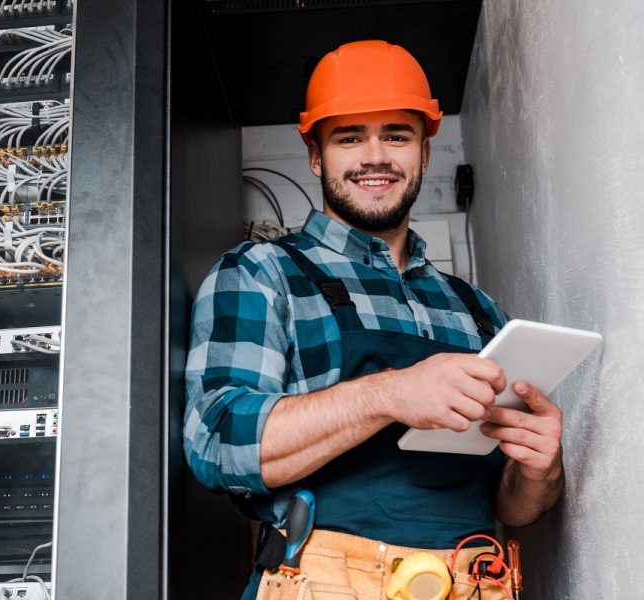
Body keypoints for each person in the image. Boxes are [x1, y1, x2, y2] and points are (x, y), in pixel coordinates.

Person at [183, 40, 564, 600]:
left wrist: (539, 472)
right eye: (350, 137)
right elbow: (218, 443)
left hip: (475, 584)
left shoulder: (477, 310)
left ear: (425, 152)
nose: (375, 156)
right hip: (326, 583)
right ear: (316, 155)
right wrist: (387, 394)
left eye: (396, 135)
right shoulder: (264, 273)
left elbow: (509, 506)